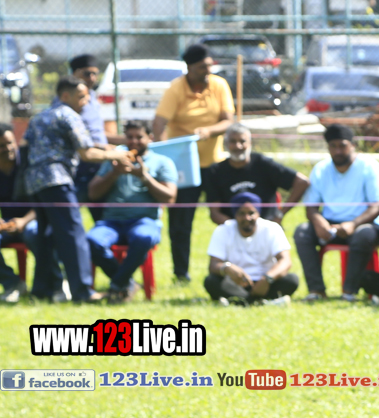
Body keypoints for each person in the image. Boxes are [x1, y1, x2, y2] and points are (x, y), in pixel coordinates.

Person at [24, 77, 132, 303]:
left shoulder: (39, 117)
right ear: (65, 96)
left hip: (34, 182)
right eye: (81, 96)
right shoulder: (69, 115)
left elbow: (32, 146)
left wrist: (105, 147)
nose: (86, 101)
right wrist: (116, 154)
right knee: (74, 235)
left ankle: (42, 289)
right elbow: (87, 153)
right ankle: (83, 291)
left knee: (46, 235)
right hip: (58, 180)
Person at [152, 43, 235, 282]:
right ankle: (181, 274)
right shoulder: (176, 89)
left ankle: (235, 267)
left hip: (215, 164)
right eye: (202, 67)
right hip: (184, 168)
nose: (207, 71)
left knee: (227, 217)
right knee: (181, 221)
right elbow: (158, 124)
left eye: (209, 66)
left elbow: (228, 121)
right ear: (189, 68)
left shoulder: (219, 85)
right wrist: (163, 156)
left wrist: (209, 131)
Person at [295, 123, 379, 301]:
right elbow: (311, 207)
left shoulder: (369, 166)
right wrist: (319, 222)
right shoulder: (321, 169)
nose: (338, 151)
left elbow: (378, 206)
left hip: (362, 224)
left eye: (342, 145)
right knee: (302, 232)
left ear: (353, 145)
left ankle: (349, 292)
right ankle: (316, 291)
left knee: (364, 235)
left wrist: (352, 224)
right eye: (333, 146)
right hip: (330, 226)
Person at [86, 120, 178, 303]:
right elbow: (92, 193)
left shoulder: (162, 162)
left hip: (144, 221)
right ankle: (127, 284)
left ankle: (117, 284)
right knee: (91, 240)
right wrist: (114, 173)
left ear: (150, 138)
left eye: (139, 137)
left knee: (143, 238)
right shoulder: (114, 160)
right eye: (130, 137)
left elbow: (170, 198)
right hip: (111, 222)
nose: (134, 141)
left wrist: (144, 177)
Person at [48, 54, 120, 221]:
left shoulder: (91, 97)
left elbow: (97, 133)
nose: (92, 78)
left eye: (95, 74)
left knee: (103, 218)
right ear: (75, 74)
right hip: (79, 166)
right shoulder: (64, 103)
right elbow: (71, 138)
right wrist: (104, 148)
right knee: (69, 219)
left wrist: (121, 141)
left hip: (99, 163)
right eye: (87, 74)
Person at [204, 192, 297, 305]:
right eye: (241, 213)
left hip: (266, 282)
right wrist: (227, 268)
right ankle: (259, 301)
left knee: (292, 280)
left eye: (251, 213)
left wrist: (267, 278)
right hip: (236, 283)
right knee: (211, 281)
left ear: (258, 213)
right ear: (235, 215)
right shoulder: (223, 229)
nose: (247, 218)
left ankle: (241, 301)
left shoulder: (272, 228)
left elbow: (285, 261)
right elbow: (213, 265)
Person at [206, 123, 309, 225]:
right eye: (233, 141)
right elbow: (214, 213)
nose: (238, 146)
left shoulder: (262, 164)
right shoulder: (215, 171)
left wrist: (280, 214)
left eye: (242, 141)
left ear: (250, 143)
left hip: (267, 227)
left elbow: (302, 182)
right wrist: (237, 228)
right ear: (225, 143)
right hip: (233, 229)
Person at [0, 122, 40, 302]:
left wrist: (23, 221)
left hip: (32, 221)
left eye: (10, 143)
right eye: (2, 146)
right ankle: (13, 284)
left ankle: (49, 284)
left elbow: (43, 204)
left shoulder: (28, 165)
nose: (8, 149)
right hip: (7, 226)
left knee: (35, 233)